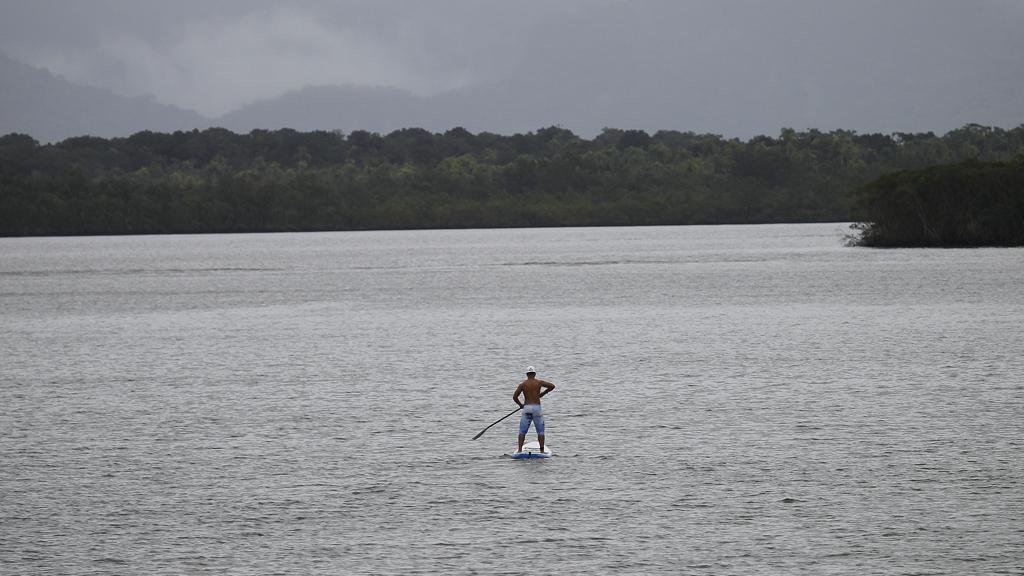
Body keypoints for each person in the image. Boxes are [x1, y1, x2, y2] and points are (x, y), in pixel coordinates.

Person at [513, 366, 555, 453]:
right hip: (537, 408)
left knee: (522, 431)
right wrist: (543, 393)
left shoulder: (523, 384)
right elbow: (552, 386)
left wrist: (520, 405)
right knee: (540, 431)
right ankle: (542, 451)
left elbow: (514, 397)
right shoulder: (539, 382)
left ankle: (520, 450)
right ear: (534, 374)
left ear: (527, 375)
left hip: (527, 408)